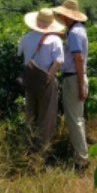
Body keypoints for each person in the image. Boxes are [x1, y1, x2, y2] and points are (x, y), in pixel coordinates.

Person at [18, 8, 65, 152]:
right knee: (46, 117)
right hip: (46, 80)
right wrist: (49, 76)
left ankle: (28, 147)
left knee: (30, 114)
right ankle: (41, 151)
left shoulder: (26, 38)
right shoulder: (54, 39)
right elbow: (59, 62)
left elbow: (20, 54)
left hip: (30, 80)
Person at [53, 0, 89, 168]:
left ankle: (82, 159)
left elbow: (79, 59)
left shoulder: (74, 33)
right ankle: (82, 155)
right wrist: (50, 32)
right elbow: (64, 36)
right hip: (77, 78)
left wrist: (81, 85)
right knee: (78, 118)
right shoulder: (77, 29)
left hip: (74, 78)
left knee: (74, 120)